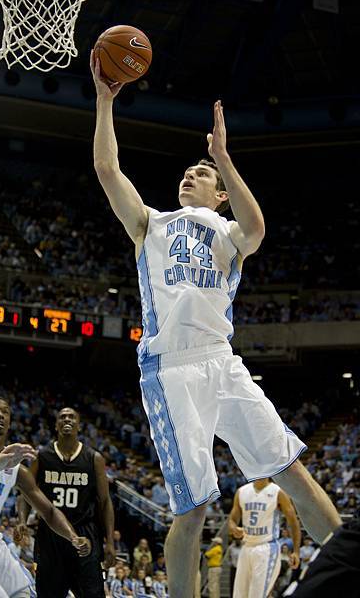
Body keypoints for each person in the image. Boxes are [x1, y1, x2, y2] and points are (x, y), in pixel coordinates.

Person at [91, 54, 342, 598]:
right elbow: (108, 171)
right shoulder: (150, 224)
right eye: (188, 171)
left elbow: (257, 226)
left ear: (219, 192)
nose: (190, 175)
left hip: (222, 362)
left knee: (292, 473)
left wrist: (222, 157)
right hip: (173, 368)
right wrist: (106, 102)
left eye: (199, 174)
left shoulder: (230, 233)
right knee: (195, 506)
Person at [0, 396, 91, 598]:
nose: (0, 415)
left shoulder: (15, 468)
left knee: (26, 594)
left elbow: (48, 511)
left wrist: (73, 536)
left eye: (5, 412)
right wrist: (1, 462)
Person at [17, 407, 116, 597]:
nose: (67, 420)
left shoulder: (94, 458)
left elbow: (105, 502)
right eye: (62, 417)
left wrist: (110, 542)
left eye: (72, 417)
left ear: (78, 425)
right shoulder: (42, 456)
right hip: (50, 537)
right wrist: (22, 520)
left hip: (86, 535)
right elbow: (26, 493)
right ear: (56, 425)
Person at [228, 478, 301, 598]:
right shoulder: (241, 492)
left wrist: (296, 551)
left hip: (266, 548)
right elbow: (231, 520)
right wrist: (234, 529)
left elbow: (293, 522)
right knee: (239, 595)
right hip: (246, 547)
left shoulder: (278, 492)